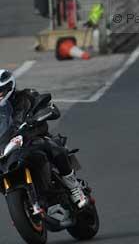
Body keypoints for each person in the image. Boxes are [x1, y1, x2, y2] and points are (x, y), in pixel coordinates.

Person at [0, 69, 88, 208]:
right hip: (9, 146)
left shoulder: (27, 96)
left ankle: (74, 188)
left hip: (33, 135)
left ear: (9, 87)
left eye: (0, 92)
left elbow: (50, 108)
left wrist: (39, 116)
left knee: (51, 146)